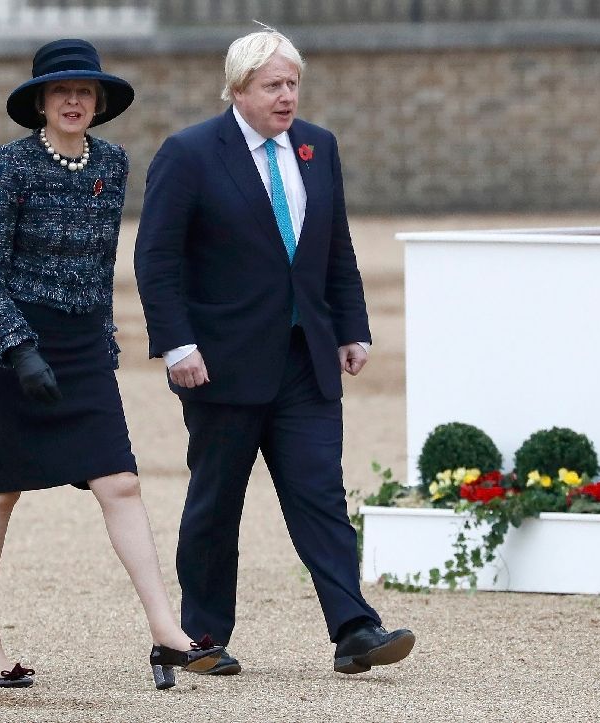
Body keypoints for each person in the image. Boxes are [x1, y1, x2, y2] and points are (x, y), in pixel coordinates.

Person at [134, 28, 415, 675]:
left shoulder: (319, 147)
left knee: (319, 493)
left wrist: (352, 326)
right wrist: (177, 344)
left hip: (304, 358)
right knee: (216, 501)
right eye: (272, 86)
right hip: (221, 362)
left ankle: (354, 627)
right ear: (238, 89)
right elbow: (157, 258)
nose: (286, 96)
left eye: (292, 84)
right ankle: (198, 636)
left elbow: (333, 244)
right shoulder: (191, 152)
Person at [0, 38, 221, 691]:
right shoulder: (8, 166)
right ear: (41, 103)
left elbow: (102, 269)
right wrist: (19, 348)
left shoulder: (112, 162)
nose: (74, 101)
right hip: (13, 344)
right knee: (1, 489)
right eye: (61, 92)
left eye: (85, 91)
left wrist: (103, 346)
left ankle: (166, 631)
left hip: (81, 349)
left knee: (121, 483)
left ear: (99, 101)